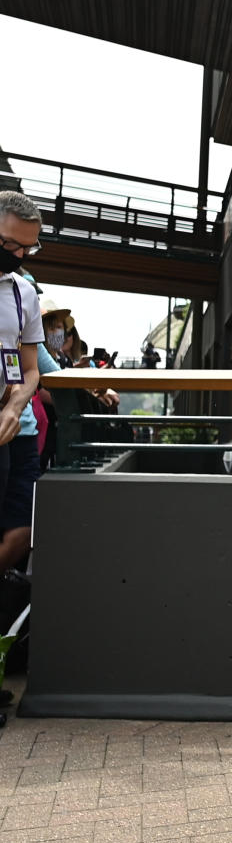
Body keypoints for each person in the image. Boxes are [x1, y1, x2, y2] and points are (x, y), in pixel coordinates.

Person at [0, 193, 48, 566]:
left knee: (19, 531)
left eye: (26, 249)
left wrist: (16, 405)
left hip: (7, 425)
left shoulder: (23, 292)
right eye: (9, 244)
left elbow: (30, 367)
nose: (17, 256)